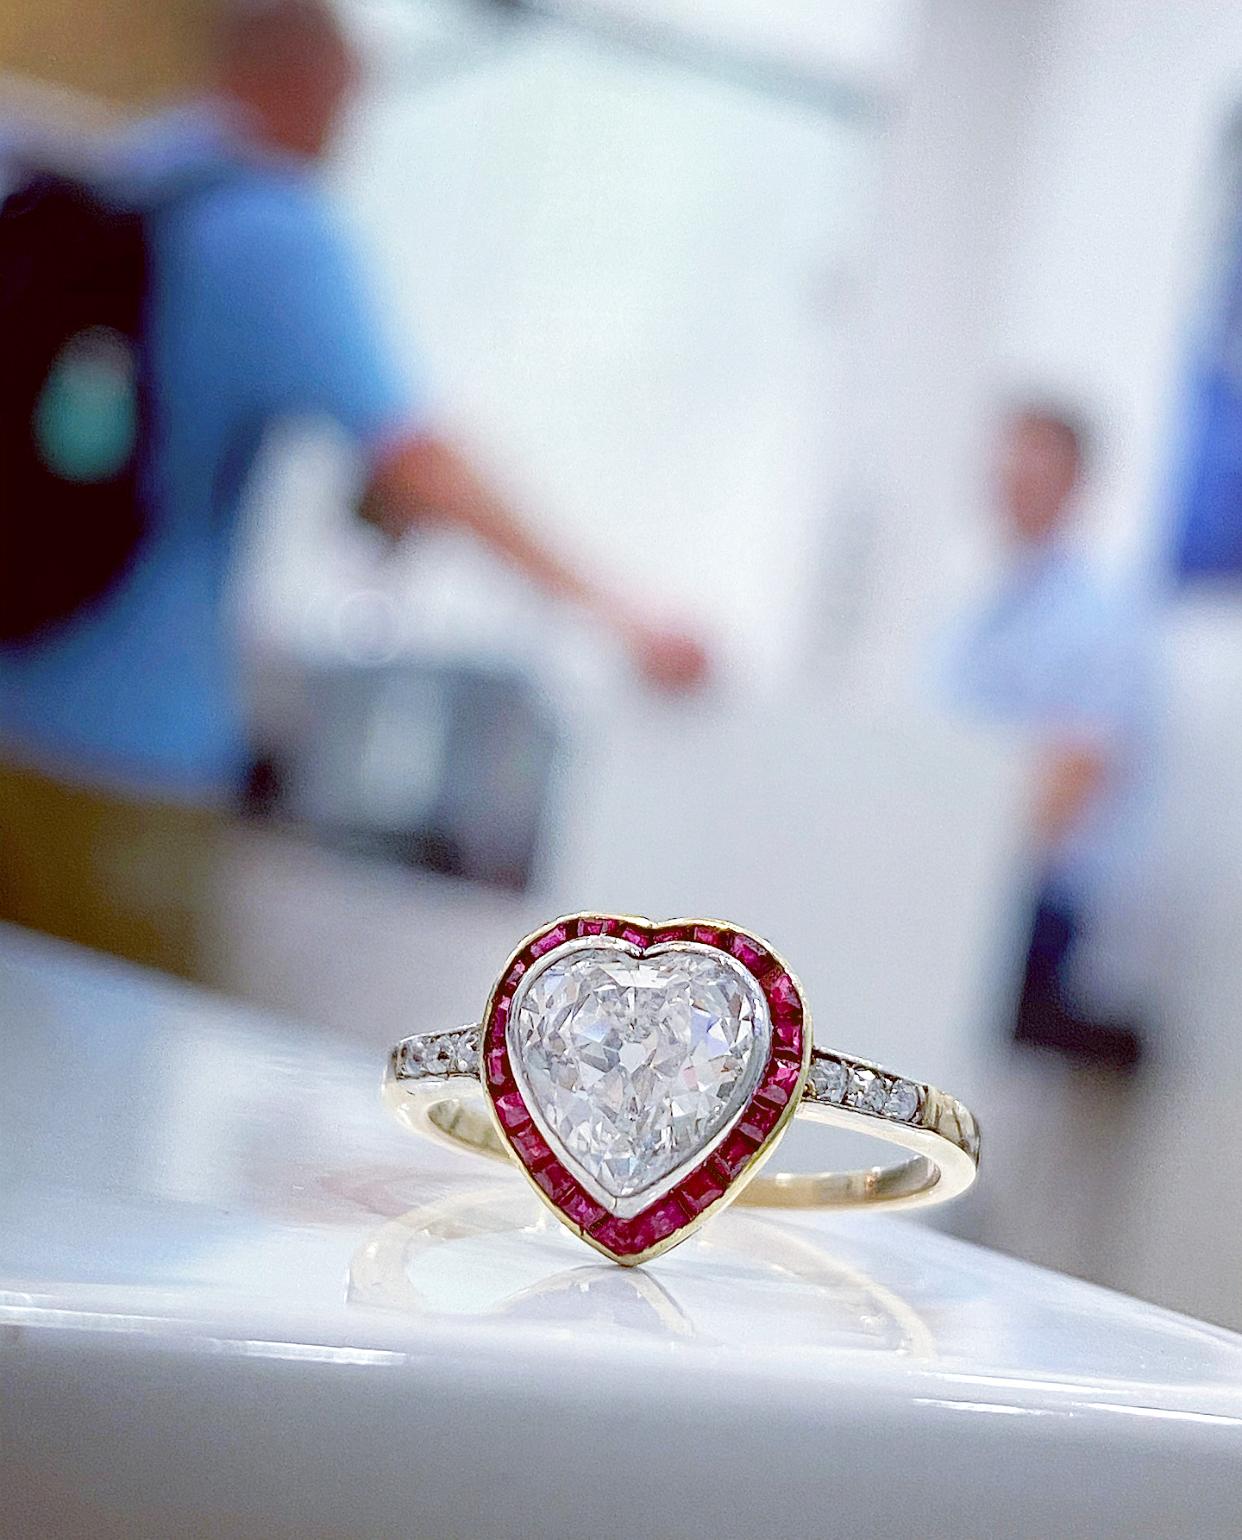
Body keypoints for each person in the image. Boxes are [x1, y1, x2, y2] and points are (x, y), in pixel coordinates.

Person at [0, 0, 708, 980]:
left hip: (17, 695)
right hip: (129, 757)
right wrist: (621, 613)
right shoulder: (274, 231)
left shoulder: (115, 179)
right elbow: (421, 459)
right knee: (107, 1084)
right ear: (307, 84)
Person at [944, 402, 1156, 1071]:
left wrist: (964, 872)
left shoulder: (1097, 616)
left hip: (1029, 903)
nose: (1015, 476)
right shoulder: (970, 609)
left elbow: (1075, 781)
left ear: (1074, 481)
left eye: (1036, 461)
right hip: (949, 867)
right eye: (1008, 457)